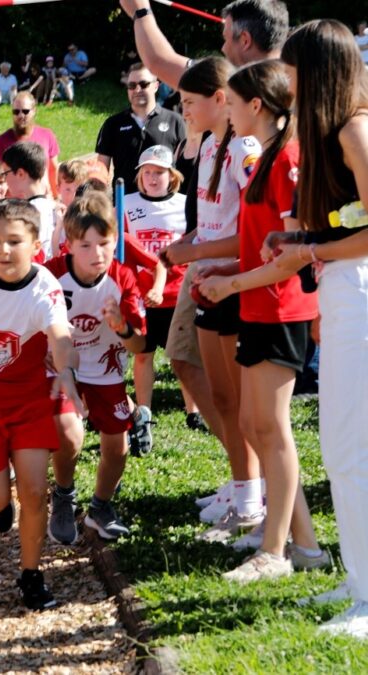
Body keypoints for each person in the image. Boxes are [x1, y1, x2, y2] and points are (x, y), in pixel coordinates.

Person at [197, 59, 329, 583]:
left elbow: (293, 255)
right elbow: (261, 245)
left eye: (232, 101)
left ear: (257, 105)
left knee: (271, 429)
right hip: (258, 304)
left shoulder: (288, 157)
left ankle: (275, 552)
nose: (226, 110)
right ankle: (305, 544)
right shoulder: (266, 156)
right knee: (257, 425)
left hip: (281, 308)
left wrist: (231, 284)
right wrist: (228, 270)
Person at [265, 19, 368, 634]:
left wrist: (311, 251)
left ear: (319, 71)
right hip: (343, 288)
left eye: (293, 71)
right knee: (341, 447)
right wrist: (303, 240)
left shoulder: (357, 130)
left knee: (352, 449)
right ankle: (358, 580)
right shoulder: (338, 131)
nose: (288, 84)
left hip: (358, 292)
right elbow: (347, 224)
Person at [0, 198, 81, 611]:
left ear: (36, 245)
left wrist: (66, 370)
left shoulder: (45, 289)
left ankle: (31, 575)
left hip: (28, 400)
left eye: (14, 241)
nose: (3, 250)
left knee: (35, 491)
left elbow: (60, 336)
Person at [160, 56, 262, 535]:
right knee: (221, 397)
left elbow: (253, 233)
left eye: (188, 102)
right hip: (207, 281)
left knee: (241, 403)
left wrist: (195, 251)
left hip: (234, 284)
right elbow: (212, 220)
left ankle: (253, 497)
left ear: (220, 99)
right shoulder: (205, 147)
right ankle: (243, 490)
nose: (183, 111)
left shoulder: (244, 149)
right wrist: (185, 247)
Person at [43, 191, 146, 545]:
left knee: (117, 448)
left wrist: (122, 328)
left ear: (116, 240)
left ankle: (100, 507)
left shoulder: (124, 278)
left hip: (105, 369)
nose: (97, 253)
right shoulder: (50, 275)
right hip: (60, 368)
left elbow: (140, 346)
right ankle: (64, 494)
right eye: (85, 245)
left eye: (104, 243)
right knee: (69, 432)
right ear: (69, 245)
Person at [121, 146, 199, 433]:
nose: (153, 178)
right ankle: (144, 413)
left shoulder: (184, 204)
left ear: (172, 176)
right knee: (143, 355)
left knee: (182, 356)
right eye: (147, 172)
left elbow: (194, 242)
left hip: (176, 293)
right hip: (141, 296)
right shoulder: (125, 204)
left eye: (159, 172)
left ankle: (194, 412)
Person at [118, 0, 288, 86]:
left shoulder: (240, 83)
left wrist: (140, 12)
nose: (223, 48)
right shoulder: (295, 80)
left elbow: (159, 61)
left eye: (227, 39)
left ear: (245, 40)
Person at [95, 64, 187, 192]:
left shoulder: (175, 121)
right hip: (124, 201)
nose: (137, 90)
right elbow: (101, 169)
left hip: (164, 201)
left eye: (144, 84)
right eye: (132, 86)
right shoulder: (113, 124)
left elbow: (185, 169)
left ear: (156, 86)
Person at [0, 92, 61, 191]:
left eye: (25, 111)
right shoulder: (1, 141)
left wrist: (55, 195)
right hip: (14, 198)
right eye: (16, 112)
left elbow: (53, 169)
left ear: (34, 111)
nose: (20, 115)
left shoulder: (47, 135)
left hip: (42, 195)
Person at [0, 142, 57, 259]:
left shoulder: (27, 214)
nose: (5, 180)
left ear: (20, 174)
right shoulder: (54, 207)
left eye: (5, 173)